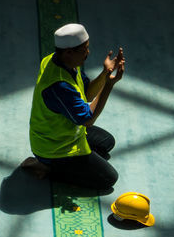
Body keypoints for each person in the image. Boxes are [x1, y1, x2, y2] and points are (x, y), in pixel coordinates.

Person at [23, 22, 125, 190]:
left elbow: (87, 93)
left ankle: (74, 163)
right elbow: (88, 119)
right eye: (84, 50)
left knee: (107, 142)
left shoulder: (59, 62)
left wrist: (106, 73)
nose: (88, 53)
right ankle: (47, 167)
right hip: (53, 147)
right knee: (108, 179)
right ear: (69, 52)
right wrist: (109, 85)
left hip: (65, 134)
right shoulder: (59, 85)